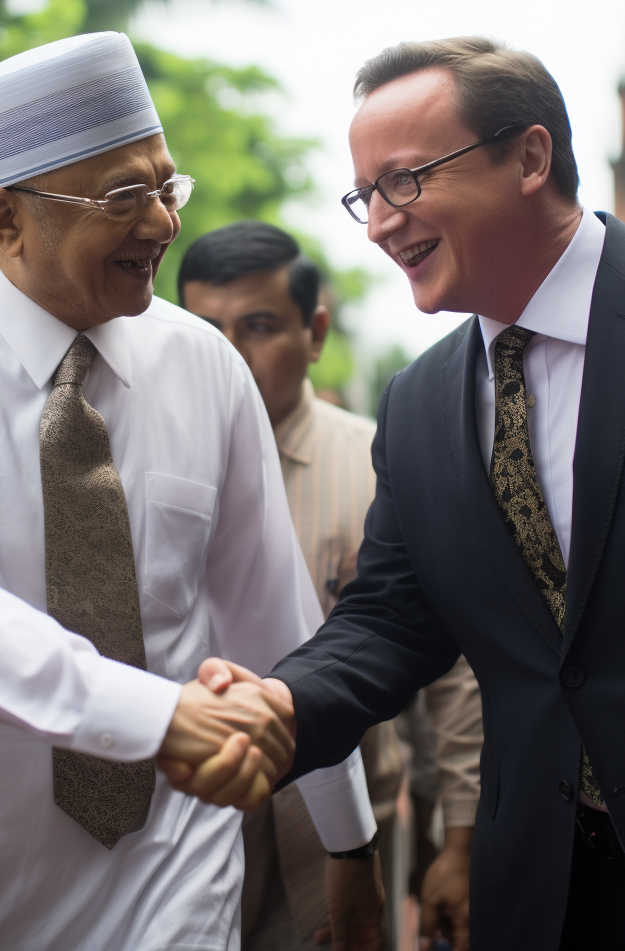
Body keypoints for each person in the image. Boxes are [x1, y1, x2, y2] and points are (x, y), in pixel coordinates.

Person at [192, 36, 625, 951]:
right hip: (539, 892)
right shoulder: (417, 404)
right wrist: (284, 707)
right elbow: (392, 620)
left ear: (529, 157)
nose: (377, 225)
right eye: (364, 196)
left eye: (404, 182)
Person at [0, 33, 381, 951]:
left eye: (165, 187)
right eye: (122, 197)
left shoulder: (203, 366)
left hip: (175, 875)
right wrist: (151, 715)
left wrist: (350, 842)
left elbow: (275, 618)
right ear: (4, 219)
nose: (161, 225)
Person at [178, 221, 483, 951]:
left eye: (257, 326)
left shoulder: (385, 464)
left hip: (350, 843)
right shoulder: (139, 470)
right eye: (205, 328)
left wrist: (461, 844)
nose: (229, 353)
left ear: (314, 333)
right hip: (193, 846)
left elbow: (449, 673)